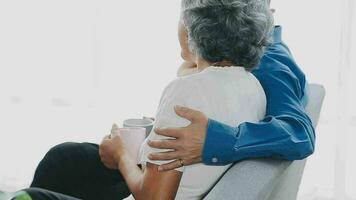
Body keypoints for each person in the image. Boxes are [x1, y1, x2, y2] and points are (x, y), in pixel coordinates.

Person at [14, 0, 315, 199]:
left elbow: (155, 198)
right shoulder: (252, 84)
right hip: (182, 180)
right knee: (66, 158)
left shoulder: (187, 92)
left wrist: (122, 154)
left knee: (29, 197)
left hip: (160, 187)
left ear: (192, 28)